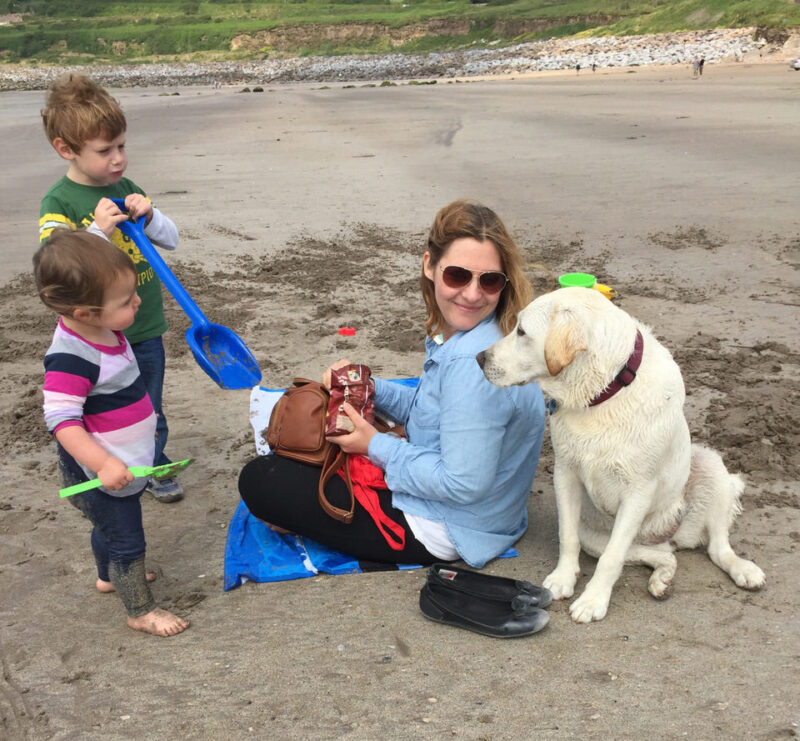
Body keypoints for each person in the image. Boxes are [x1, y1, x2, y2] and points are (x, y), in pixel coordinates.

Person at [238, 200, 546, 568]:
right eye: (458, 276)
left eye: (490, 280)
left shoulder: (471, 360)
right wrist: (370, 387)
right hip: (491, 516)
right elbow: (436, 409)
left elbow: (463, 484)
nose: (473, 294)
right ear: (429, 265)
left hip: (443, 528)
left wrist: (373, 445)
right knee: (293, 468)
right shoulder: (492, 333)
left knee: (262, 480)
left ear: (504, 283)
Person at [34, 230, 189, 636]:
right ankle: (139, 610)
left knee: (109, 528)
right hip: (96, 471)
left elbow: (83, 257)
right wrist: (102, 463)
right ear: (84, 313)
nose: (138, 301)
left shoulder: (99, 325)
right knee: (127, 540)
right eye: (125, 301)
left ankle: (107, 576)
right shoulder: (71, 357)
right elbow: (61, 420)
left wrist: (102, 234)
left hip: (122, 456)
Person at [39, 73, 185, 503]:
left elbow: (171, 239)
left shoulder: (127, 190)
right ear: (66, 149)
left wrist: (150, 215)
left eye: (121, 145)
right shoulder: (59, 203)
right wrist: (97, 232)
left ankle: (152, 465)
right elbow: (61, 270)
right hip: (95, 337)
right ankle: (102, 464)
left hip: (142, 324)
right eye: (104, 151)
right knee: (103, 408)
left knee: (148, 407)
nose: (118, 159)